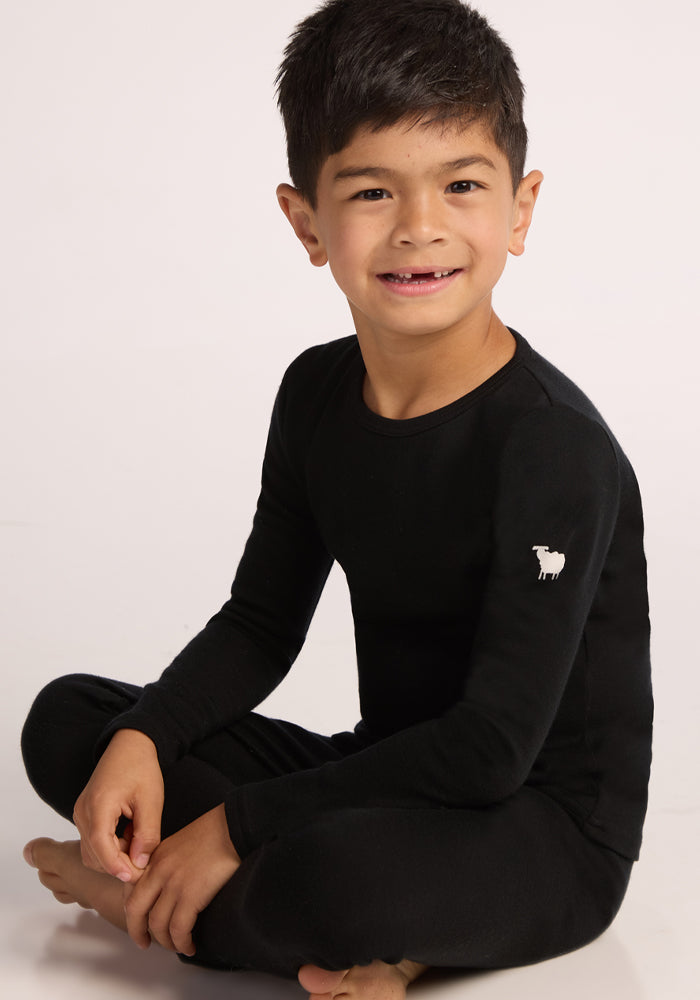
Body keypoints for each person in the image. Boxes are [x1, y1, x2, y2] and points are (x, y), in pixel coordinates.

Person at [21, 1, 653, 998]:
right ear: (305, 220)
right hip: (396, 770)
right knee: (74, 725)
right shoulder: (316, 394)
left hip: (543, 826)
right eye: (370, 191)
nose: (419, 228)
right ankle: (269, 908)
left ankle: (143, 903)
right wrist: (143, 741)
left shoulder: (552, 448)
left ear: (520, 208)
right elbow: (261, 624)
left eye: (461, 185)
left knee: (325, 875)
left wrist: (235, 825)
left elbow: (491, 748)